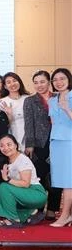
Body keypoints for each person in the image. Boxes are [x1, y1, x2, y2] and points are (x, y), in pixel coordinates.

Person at [0, 134, 47, 228]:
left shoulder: (23, 160)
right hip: (21, 194)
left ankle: (14, 219)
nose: (6, 148)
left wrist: (7, 179)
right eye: (2, 146)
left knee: (4, 187)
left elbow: (26, 184)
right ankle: (30, 213)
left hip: (35, 193)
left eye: (9, 144)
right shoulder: (7, 162)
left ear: (16, 145)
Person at [23, 70, 58, 219]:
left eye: (42, 82)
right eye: (36, 82)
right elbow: (28, 124)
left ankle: (52, 209)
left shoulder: (58, 97)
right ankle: (37, 208)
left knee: (57, 177)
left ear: (49, 82)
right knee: (40, 176)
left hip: (58, 141)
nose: (39, 85)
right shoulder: (30, 100)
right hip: (39, 144)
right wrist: (30, 144)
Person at [49, 68, 72, 227]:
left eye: (62, 78)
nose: (59, 82)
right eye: (55, 79)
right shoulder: (52, 99)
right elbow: (53, 122)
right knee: (62, 180)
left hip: (69, 141)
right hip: (56, 141)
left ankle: (64, 215)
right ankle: (68, 214)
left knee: (67, 181)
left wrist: (66, 108)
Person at [0, 72, 29, 150]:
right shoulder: (2, 102)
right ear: (5, 86)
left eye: (14, 80)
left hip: (28, 139)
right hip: (11, 139)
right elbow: (1, 126)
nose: (12, 84)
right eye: (8, 82)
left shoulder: (28, 99)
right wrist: (9, 116)